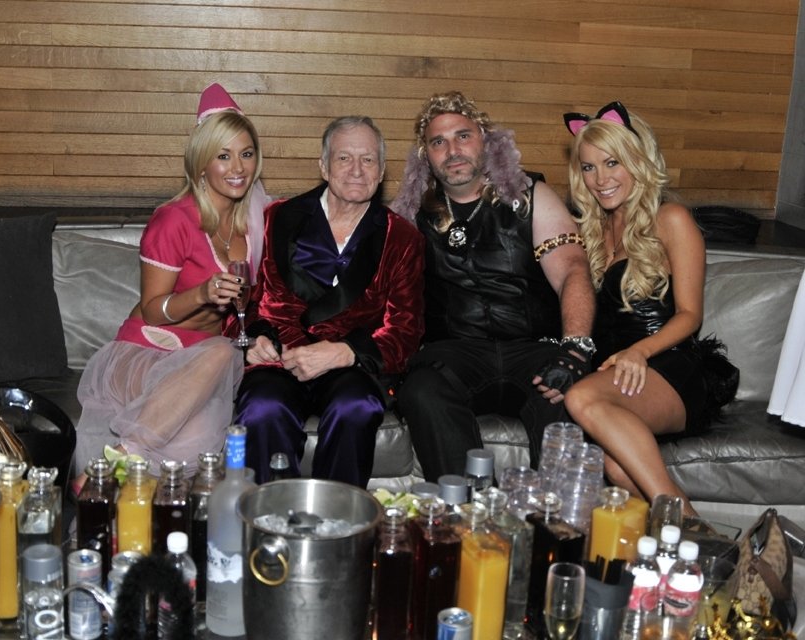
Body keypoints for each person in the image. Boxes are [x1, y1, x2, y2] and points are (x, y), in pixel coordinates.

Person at [391, 91, 596, 482]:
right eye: (438, 142)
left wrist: (575, 349)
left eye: (463, 136)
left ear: (486, 140)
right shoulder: (410, 214)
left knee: (569, 394)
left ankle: (552, 514)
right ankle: (468, 508)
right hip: (455, 354)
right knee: (420, 389)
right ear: (425, 156)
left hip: (534, 349)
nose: (452, 150)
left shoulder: (530, 195)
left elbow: (573, 269)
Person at [76, 83, 269, 478]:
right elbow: (152, 311)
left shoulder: (256, 221)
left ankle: (113, 485)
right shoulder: (174, 220)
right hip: (147, 351)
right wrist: (202, 293)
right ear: (201, 163)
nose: (238, 168)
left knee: (193, 438)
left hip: (204, 364)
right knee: (223, 352)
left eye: (246, 154)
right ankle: (122, 458)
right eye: (223, 156)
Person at [234, 115, 425, 487]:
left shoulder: (402, 237)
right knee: (262, 409)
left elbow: (407, 330)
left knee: (356, 408)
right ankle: (269, 514)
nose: (357, 170)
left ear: (382, 171)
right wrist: (251, 340)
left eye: (368, 160)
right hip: (278, 360)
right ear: (323, 166)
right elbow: (243, 301)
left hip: (351, 366)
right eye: (344, 158)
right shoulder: (273, 219)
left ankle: (339, 517)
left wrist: (346, 352)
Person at [561, 101, 707, 516]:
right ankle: (703, 539)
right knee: (616, 467)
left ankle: (683, 517)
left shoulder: (671, 218)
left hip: (668, 365)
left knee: (580, 398)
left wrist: (639, 352)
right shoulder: (592, 228)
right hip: (616, 372)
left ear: (639, 161)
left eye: (613, 163)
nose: (600, 179)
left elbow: (691, 314)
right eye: (588, 167)